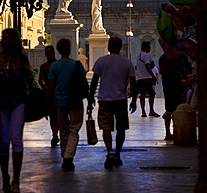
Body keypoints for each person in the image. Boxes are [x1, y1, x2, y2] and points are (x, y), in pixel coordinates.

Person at [0, 28, 33, 193]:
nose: (3, 40)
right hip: (2, 104)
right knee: (3, 142)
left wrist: (27, 73)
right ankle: (5, 177)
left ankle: (16, 178)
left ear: (14, 40)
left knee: (16, 139)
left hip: (18, 102)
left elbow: (29, 81)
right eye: (2, 38)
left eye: (6, 38)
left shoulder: (22, 59)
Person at [88, 37, 138, 169]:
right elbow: (133, 82)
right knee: (121, 128)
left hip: (105, 99)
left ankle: (109, 152)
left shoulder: (101, 61)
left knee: (106, 127)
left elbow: (94, 81)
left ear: (109, 47)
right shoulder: (127, 62)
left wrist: (90, 98)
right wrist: (133, 100)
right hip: (120, 99)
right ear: (121, 47)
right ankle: (117, 153)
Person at [48, 38, 86, 171]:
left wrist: (49, 102)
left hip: (59, 101)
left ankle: (65, 154)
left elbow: (51, 86)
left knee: (63, 129)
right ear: (70, 49)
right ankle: (68, 157)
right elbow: (83, 81)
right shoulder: (76, 64)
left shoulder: (54, 66)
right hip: (75, 100)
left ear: (58, 51)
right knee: (74, 129)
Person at [159, 54, 184, 140]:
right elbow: (161, 70)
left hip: (178, 86)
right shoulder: (164, 58)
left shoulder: (178, 58)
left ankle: (176, 131)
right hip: (169, 87)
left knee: (177, 110)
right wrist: (175, 73)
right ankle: (168, 132)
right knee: (169, 110)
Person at [39, 45, 59, 147]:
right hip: (49, 93)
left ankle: (55, 134)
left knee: (57, 115)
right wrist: (43, 86)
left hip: (57, 92)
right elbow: (40, 80)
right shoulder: (44, 66)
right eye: (48, 53)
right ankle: (54, 134)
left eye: (51, 52)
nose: (49, 55)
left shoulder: (57, 65)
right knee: (52, 115)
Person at [136, 41, 159, 117]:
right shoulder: (146, 55)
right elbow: (147, 65)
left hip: (140, 78)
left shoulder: (138, 56)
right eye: (149, 47)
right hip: (146, 77)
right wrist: (153, 75)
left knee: (142, 94)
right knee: (152, 94)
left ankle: (143, 112)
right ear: (145, 48)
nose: (150, 49)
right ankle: (151, 111)